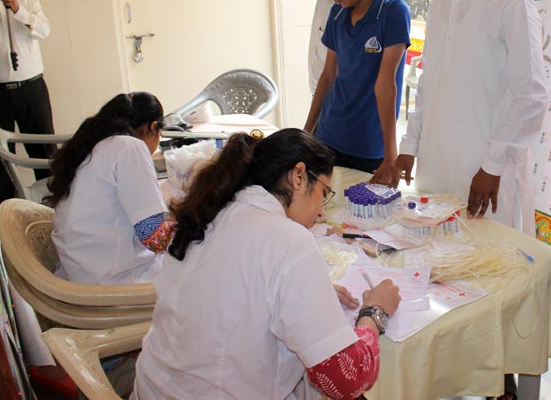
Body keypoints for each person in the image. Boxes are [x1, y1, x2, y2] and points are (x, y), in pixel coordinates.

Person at [133, 129, 401, 400]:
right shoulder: (288, 240)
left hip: (153, 389)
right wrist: (374, 312)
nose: (322, 210)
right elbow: (347, 379)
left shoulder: (211, 212)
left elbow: (228, 289)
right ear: (298, 175)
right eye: (323, 192)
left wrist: (304, 295)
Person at [394, 0, 548, 234]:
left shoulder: (511, 3)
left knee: (492, 258)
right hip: (436, 166)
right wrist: (410, 146)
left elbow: (531, 97)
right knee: (438, 254)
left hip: (486, 173)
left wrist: (492, 166)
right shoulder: (439, 4)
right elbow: (429, 84)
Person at [303, 0, 410, 184]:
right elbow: (328, 76)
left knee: (369, 207)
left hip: (369, 145)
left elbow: (386, 84)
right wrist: (306, 133)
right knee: (325, 205)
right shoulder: (337, 13)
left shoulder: (393, 11)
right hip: (328, 136)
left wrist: (390, 154)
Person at [46, 92, 174, 285]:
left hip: (80, 274)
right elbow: (155, 239)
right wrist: (188, 220)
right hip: (113, 282)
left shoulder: (88, 146)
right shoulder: (131, 148)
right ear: (153, 127)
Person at [0, 0, 55, 204]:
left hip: (32, 88)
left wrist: (18, 10)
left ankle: (53, 203)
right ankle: (9, 208)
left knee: (45, 150)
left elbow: (44, 30)